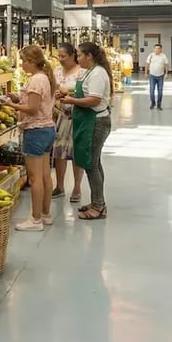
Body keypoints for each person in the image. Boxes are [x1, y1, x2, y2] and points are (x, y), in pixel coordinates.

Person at [5, 44, 56, 232]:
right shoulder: (45, 78)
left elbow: (32, 109)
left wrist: (11, 105)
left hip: (35, 131)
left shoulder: (36, 81)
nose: (22, 65)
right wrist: (19, 98)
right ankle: (45, 214)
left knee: (35, 178)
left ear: (32, 62)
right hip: (48, 129)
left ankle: (35, 220)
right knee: (44, 176)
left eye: (23, 61)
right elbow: (36, 103)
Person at [61, 42, 113, 221]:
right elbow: (86, 95)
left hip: (96, 122)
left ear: (89, 56)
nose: (78, 58)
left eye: (80, 55)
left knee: (91, 165)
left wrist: (72, 102)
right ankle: (98, 202)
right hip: (89, 121)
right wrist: (71, 96)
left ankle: (98, 206)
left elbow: (94, 100)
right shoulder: (90, 72)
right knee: (94, 163)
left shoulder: (98, 73)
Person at [52, 43, 84, 203]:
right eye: (59, 56)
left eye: (63, 56)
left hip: (77, 116)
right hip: (60, 116)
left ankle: (77, 188)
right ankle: (59, 186)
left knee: (77, 152)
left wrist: (67, 92)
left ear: (73, 55)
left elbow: (85, 93)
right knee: (59, 152)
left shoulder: (81, 72)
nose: (60, 59)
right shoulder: (56, 71)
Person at [145, 43, 169, 109]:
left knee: (160, 91)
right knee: (151, 90)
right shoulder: (151, 55)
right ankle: (153, 103)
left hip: (160, 76)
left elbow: (166, 65)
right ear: (154, 49)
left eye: (158, 48)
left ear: (161, 49)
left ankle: (159, 104)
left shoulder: (163, 56)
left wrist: (166, 73)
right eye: (156, 48)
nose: (157, 50)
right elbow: (147, 64)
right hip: (152, 75)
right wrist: (146, 72)